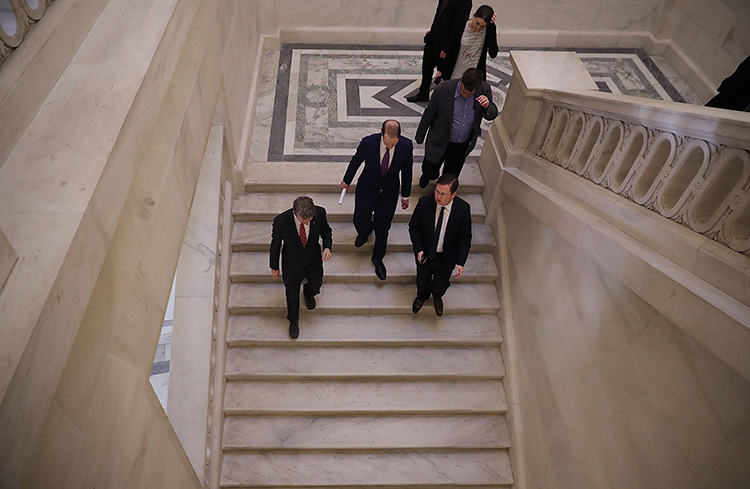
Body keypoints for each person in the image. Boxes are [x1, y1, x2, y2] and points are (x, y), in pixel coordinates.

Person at [341, 120, 413, 280]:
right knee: (359, 219)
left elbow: (407, 171)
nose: (390, 147)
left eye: (393, 144)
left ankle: (378, 258)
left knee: (383, 229)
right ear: (381, 132)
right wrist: (346, 181)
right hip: (367, 188)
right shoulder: (368, 143)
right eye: (387, 143)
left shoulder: (406, 146)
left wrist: (405, 195)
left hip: (389, 193)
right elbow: (356, 161)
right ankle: (365, 231)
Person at [414, 67, 498, 187]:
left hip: (462, 145)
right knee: (430, 169)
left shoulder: (484, 89)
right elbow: (429, 114)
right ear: (461, 82)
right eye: (463, 91)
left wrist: (487, 106)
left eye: (469, 94)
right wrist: (420, 136)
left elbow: (492, 115)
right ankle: (427, 176)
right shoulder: (443, 89)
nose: (465, 95)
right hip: (439, 139)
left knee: (450, 176)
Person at [409, 173, 471, 316]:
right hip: (426, 253)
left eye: (443, 194)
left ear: (453, 194)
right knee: (422, 280)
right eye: (437, 191)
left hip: (446, 257)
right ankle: (422, 296)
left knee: (441, 282)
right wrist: (419, 250)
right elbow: (414, 228)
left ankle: (437, 296)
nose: (438, 197)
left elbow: (465, 238)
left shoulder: (463, 209)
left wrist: (460, 262)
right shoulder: (424, 203)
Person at [270, 196, 332, 339]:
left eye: (309, 220)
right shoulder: (281, 221)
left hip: (313, 259)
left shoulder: (320, 213)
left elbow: (326, 231)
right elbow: (275, 245)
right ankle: (293, 320)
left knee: (316, 283)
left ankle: (309, 293)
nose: (307, 223)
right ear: (295, 213)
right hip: (292, 263)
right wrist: (274, 266)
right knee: (291, 295)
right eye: (304, 221)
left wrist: (327, 247)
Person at [406, 0, 473, 103]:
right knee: (427, 68)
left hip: (445, 45)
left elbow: (457, 27)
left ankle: (445, 100)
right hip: (433, 39)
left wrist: (447, 48)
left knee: (444, 75)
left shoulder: (465, 2)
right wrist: (432, 30)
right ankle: (423, 94)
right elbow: (438, 15)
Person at [444, 5, 498, 82]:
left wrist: (492, 26)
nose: (478, 28)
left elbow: (493, 53)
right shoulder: (461, 26)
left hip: (474, 75)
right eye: (477, 23)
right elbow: (449, 49)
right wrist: (442, 71)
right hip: (456, 71)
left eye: (482, 26)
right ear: (475, 15)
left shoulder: (488, 31)